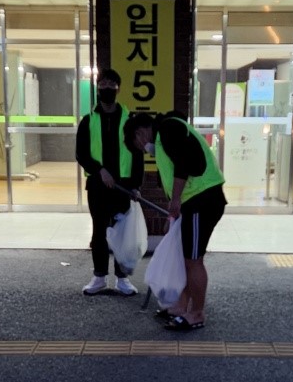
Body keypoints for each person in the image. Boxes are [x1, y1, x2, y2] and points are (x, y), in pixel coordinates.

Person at [123, 111, 226, 332]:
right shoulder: (164, 138)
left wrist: (176, 200)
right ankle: (181, 307)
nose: (144, 150)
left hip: (201, 200)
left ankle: (196, 313)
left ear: (140, 134)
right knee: (184, 257)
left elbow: (184, 163)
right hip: (194, 202)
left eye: (139, 146)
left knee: (193, 260)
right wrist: (173, 214)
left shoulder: (169, 128)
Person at [76, 68, 144, 296]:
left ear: (118, 89)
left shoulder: (129, 120)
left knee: (121, 232)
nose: (107, 88)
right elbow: (81, 154)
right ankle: (99, 277)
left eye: (111, 84)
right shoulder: (88, 121)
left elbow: (138, 155)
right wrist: (100, 170)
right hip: (98, 185)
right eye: (103, 84)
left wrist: (136, 185)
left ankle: (122, 279)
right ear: (98, 88)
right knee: (99, 232)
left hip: (123, 186)